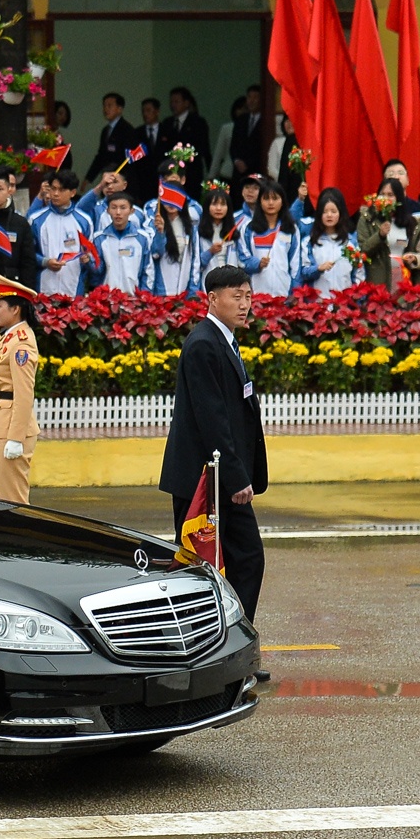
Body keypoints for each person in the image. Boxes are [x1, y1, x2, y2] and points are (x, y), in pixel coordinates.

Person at [160, 266, 268, 627]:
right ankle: (214, 647)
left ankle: (231, 644)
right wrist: (237, 478)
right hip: (206, 481)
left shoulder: (223, 340)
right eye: (236, 296)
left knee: (235, 561)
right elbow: (213, 419)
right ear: (212, 299)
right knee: (209, 564)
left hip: (219, 477)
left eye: (248, 296)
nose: (244, 304)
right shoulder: (204, 344)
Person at [0, 274, 42, 505]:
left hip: (11, 428)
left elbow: (25, 394)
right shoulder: (11, 336)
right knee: (4, 497)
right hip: (1, 424)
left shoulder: (22, 342)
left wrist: (16, 438)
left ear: (15, 308)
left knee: (13, 500)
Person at [29, 169, 94, 296]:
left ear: (73, 193)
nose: (56, 194)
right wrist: (45, 262)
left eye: (62, 190)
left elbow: (91, 255)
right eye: (53, 188)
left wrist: (87, 259)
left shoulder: (84, 221)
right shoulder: (36, 220)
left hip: (73, 290)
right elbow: (28, 253)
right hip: (43, 290)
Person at [238, 181, 302, 297]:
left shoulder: (291, 229)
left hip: (284, 294)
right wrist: (258, 264)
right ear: (260, 202)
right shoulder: (248, 229)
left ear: (282, 201)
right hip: (255, 295)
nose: (271, 203)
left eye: (275, 198)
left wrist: (295, 292)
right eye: (266, 199)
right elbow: (242, 260)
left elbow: (296, 264)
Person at [89, 194, 154, 293]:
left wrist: (144, 296)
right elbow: (97, 272)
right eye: (114, 208)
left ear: (132, 211)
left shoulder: (143, 238)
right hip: (106, 300)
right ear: (108, 211)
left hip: (134, 300)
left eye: (123, 208)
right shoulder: (99, 238)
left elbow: (148, 270)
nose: (118, 212)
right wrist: (88, 261)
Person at [297, 188, 357, 294]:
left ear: (340, 213)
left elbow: (358, 274)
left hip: (344, 304)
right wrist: (318, 269)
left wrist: (355, 299)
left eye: (333, 211)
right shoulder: (309, 242)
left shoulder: (351, 242)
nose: (329, 215)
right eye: (325, 212)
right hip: (318, 304)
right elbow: (303, 272)